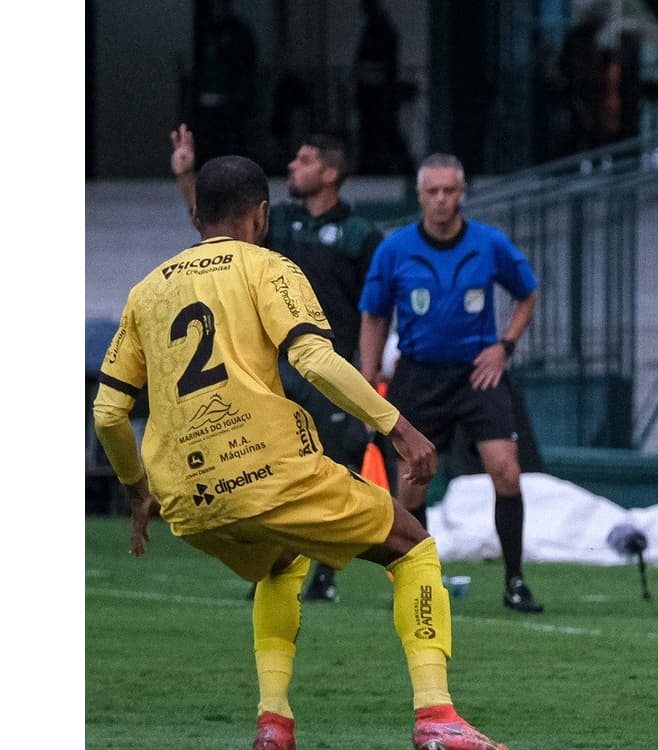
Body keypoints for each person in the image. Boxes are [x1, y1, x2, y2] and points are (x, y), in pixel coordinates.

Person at [91, 155, 507, 750]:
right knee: (412, 546)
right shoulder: (268, 267)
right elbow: (311, 359)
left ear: (199, 215)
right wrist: (398, 428)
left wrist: (136, 490)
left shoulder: (145, 292)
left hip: (185, 496)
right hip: (267, 469)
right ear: (260, 215)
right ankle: (436, 715)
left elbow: (107, 412)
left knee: (281, 561)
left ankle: (273, 724)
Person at [172, 124, 382, 603]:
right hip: (275, 369)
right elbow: (215, 231)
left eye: (305, 160)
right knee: (271, 468)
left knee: (333, 468)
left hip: (330, 368)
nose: (292, 165)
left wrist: (369, 371)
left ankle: (325, 575)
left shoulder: (362, 235)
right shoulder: (278, 222)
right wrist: (188, 177)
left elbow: (377, 307)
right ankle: (275, 568)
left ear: (330, 173)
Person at [358, 153, 545, 614]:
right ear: (420, 196)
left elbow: (527, 294)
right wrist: (366, 380)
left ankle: (515, 581)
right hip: (418, 374)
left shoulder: (489, 244)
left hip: (478, 372)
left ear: (462, 194)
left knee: (506, 468)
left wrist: (505, 345)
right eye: (433, 192)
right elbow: (374, 315)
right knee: (412, 481)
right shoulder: (395, 249)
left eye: (450, 191)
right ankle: (417, 581)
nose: (442, 200)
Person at [190, 0, 258, 165]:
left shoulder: (239, 32)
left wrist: (241, 95)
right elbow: (199, 65)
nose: (217, 9)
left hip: (231, 101)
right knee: (208, 146)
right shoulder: (205, 31)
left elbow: (247, 65)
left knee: (232, 147)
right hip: (207, 100)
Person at [354, 0, 413, 175]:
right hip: (373, 94)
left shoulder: (380, 29)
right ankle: (379, 163)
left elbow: (382, 63)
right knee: (376, 131)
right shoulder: (376, 28)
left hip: (377, 95)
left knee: (380, 131)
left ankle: (387, 163)